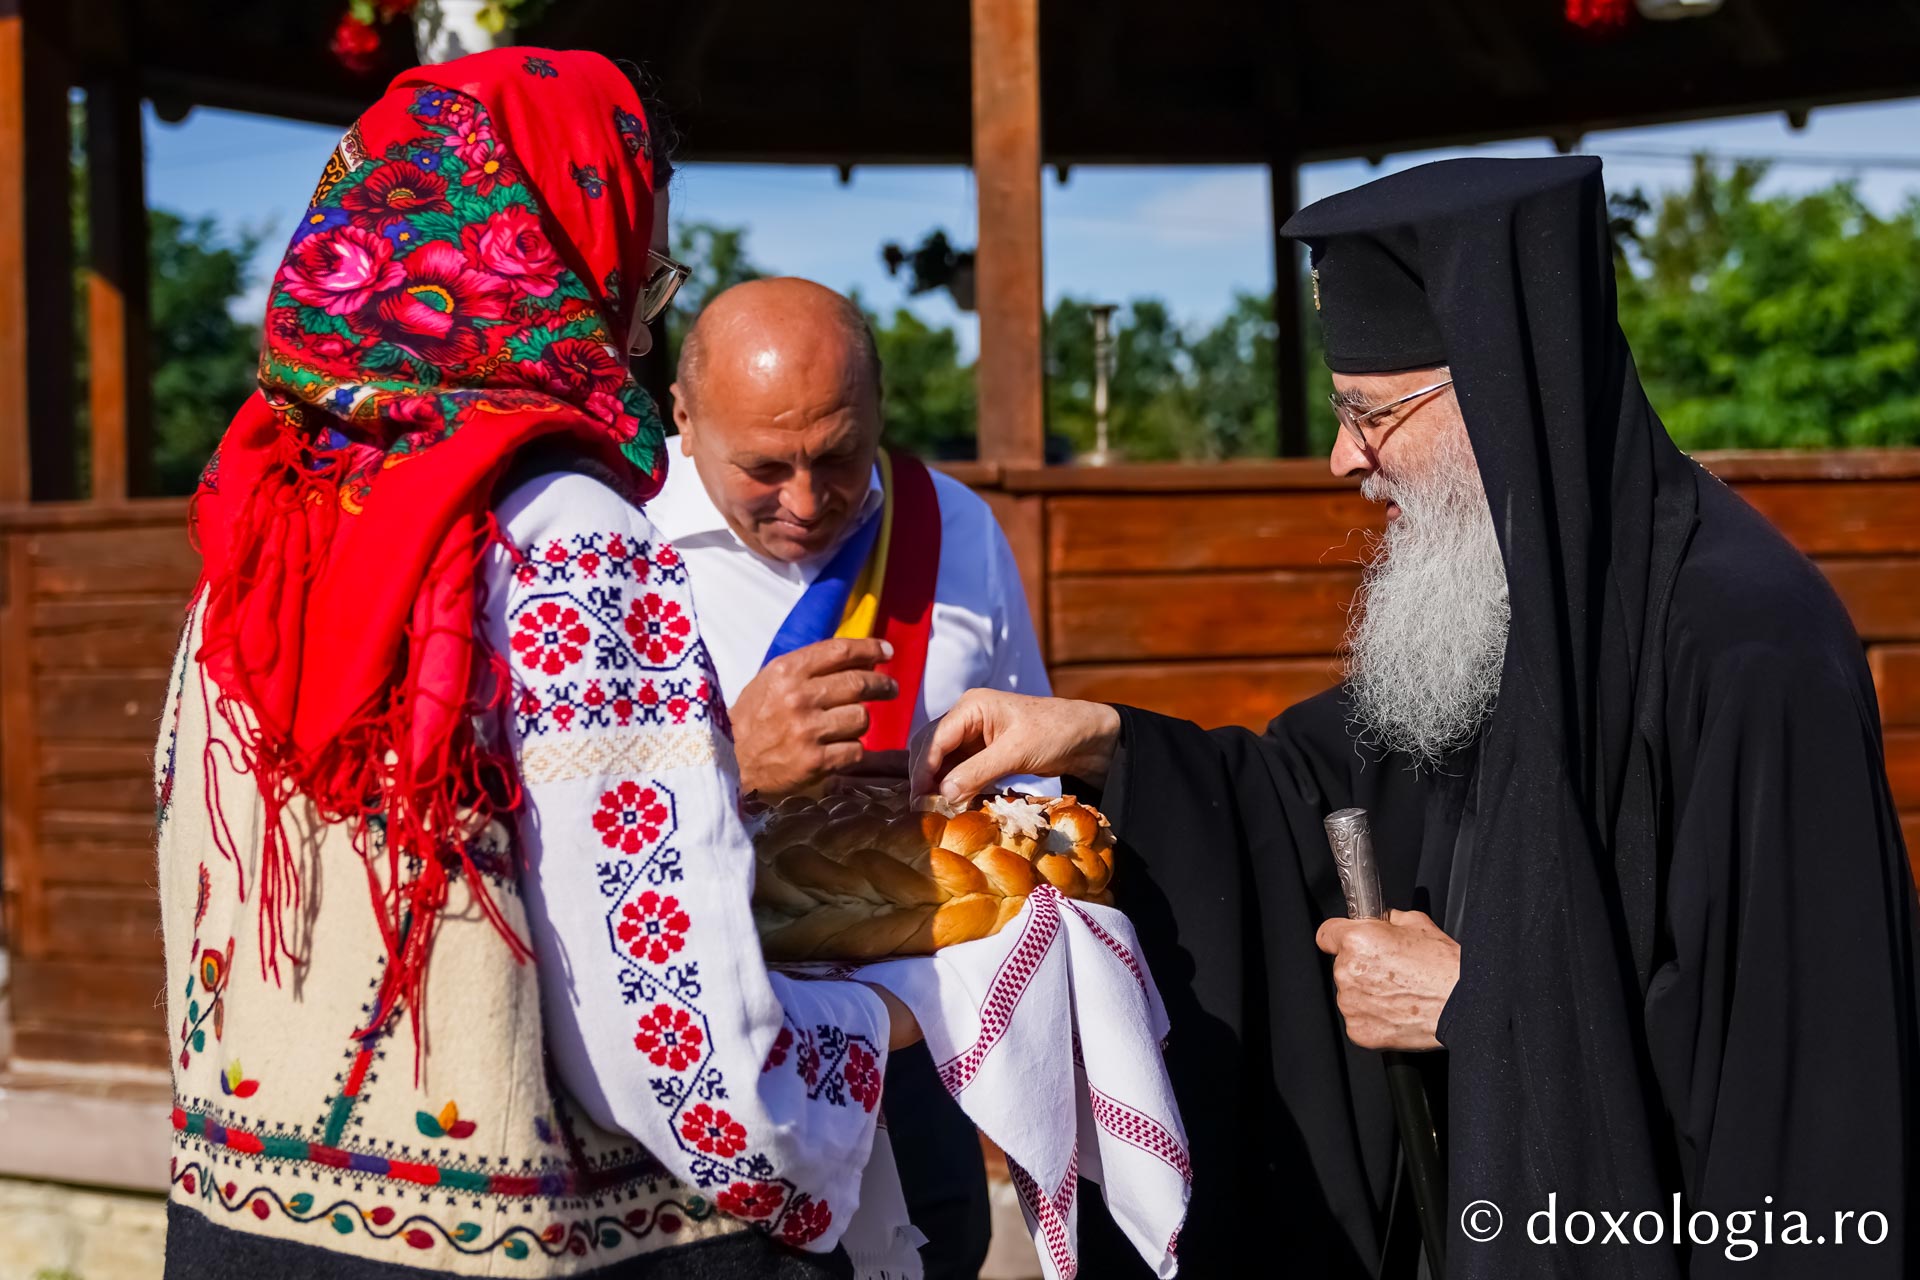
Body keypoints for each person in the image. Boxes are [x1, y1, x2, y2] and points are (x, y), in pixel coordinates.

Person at [913, 157, 1920, 1278]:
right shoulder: (1509, 596)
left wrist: (1475, 1008)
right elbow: (1312, 794)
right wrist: (1107, 740)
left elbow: (1806, 1086)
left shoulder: (1748, 646)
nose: (1347, 456)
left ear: (1500, 387)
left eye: (1370, 413)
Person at [157, 48, 918, 1279]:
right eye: (637, 273)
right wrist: (880, 1027)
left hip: (247, 1223)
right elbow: (677, 1053)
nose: (643, 318)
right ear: (553, 264)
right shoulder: (568, 537)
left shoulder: (263, 517)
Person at [647, 276, 1053, 1276]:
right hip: (684, 1046)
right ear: (683, 419)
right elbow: (540, 824)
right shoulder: (612, 538)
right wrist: (729, 756)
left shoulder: (953, 530)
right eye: (765, 466)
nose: (806, 500)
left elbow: (1031, 790)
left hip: (907, 1048)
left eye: (838, 454)